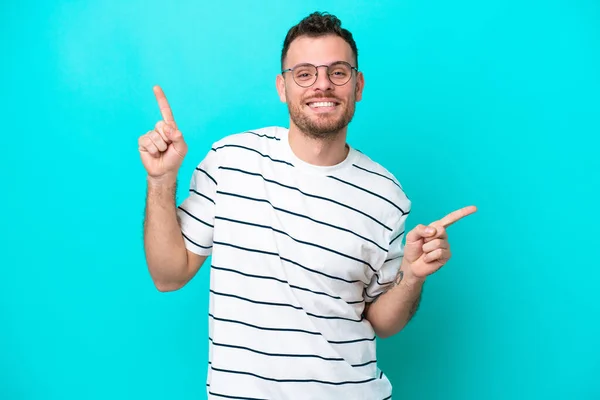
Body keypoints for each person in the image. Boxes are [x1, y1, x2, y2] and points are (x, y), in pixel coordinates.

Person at [138, 11, 476, 400]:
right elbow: (168, 275)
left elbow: (382, 321)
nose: (322, 85)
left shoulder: (387, 194)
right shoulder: (230, 159)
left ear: (358, 84)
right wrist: (161, 180)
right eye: (304, 74)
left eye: (337, 72)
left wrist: (412, 275)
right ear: (283, 87)